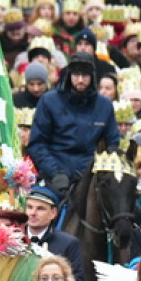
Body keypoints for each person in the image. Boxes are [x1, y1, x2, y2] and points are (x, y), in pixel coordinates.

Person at [27, 52, 121, 198]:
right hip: (55, 170)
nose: (80, 80)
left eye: (85, 76)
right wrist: (55, 172)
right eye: (76, 75)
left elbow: (112, 143)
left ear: (92, 77)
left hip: (90, 173)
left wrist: (97, 170)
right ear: (69, 75)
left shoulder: (104, 105)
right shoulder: (49, 101)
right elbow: (37, 144)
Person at [24, 180, 85, 281]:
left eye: (40, 208)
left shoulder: (68, 244)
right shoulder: (13, 238)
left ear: (53, 213)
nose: (33, 213)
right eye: (29, 207)